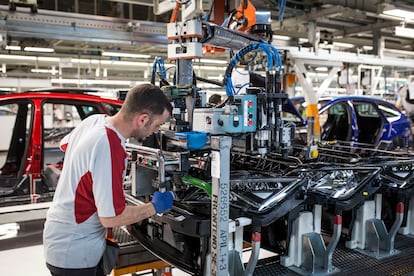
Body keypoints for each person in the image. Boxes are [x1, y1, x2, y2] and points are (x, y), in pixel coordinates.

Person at [43, 83, 175, 276]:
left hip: (59, 236)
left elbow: (66, 145)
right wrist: (154, 207)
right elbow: (111, 218)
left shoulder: (95, 121)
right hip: (75, 252)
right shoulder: (109, 146)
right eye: (157, 125)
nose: (155, 131)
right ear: (142, 119)